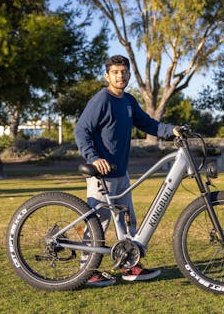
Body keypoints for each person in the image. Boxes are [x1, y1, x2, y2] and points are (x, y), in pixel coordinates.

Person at [74, 55, 179, 287]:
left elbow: (149, 124)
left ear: (129, 74)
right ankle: (86, 271)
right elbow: (81, 131)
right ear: (107, 76)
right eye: (115, 72)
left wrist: (173, 129)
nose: (120, 76)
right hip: (101, 175)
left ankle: (130, 266)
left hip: (122, 175)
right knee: (98, 224)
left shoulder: (128, 101)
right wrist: (94, 157)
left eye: (123, 72)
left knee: (128, 221)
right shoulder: (102, 99)